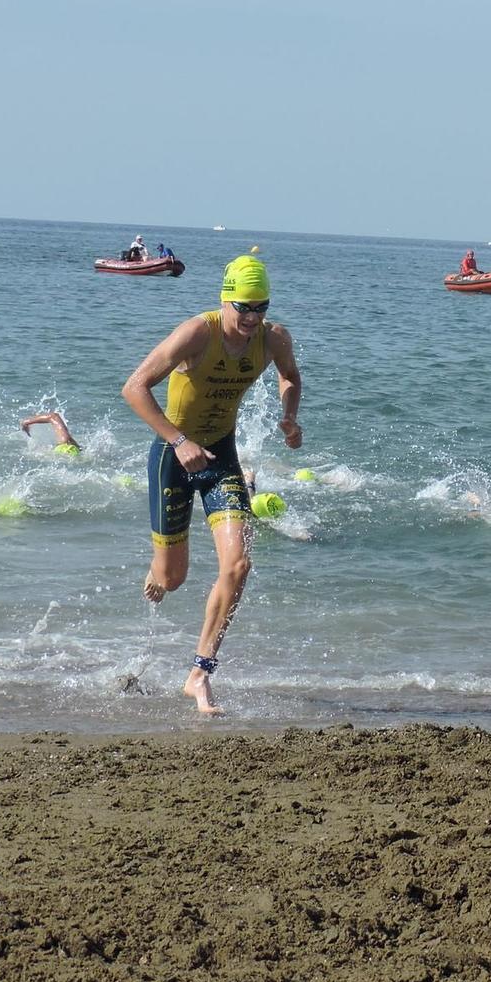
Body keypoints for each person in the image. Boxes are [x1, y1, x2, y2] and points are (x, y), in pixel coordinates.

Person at [121, 252, 304, 715]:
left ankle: (199, 673)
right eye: (243, 307)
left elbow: (290, 377)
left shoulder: (274, 338)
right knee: (172, 579)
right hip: (173, 456)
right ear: (225, 300)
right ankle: (158, 566)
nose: (251, 317)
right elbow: (135, 387)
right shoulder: (197, 333)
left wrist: (289, 417)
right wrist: (178, 440)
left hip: (221, 456)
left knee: (239, 564)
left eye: (260, 306)